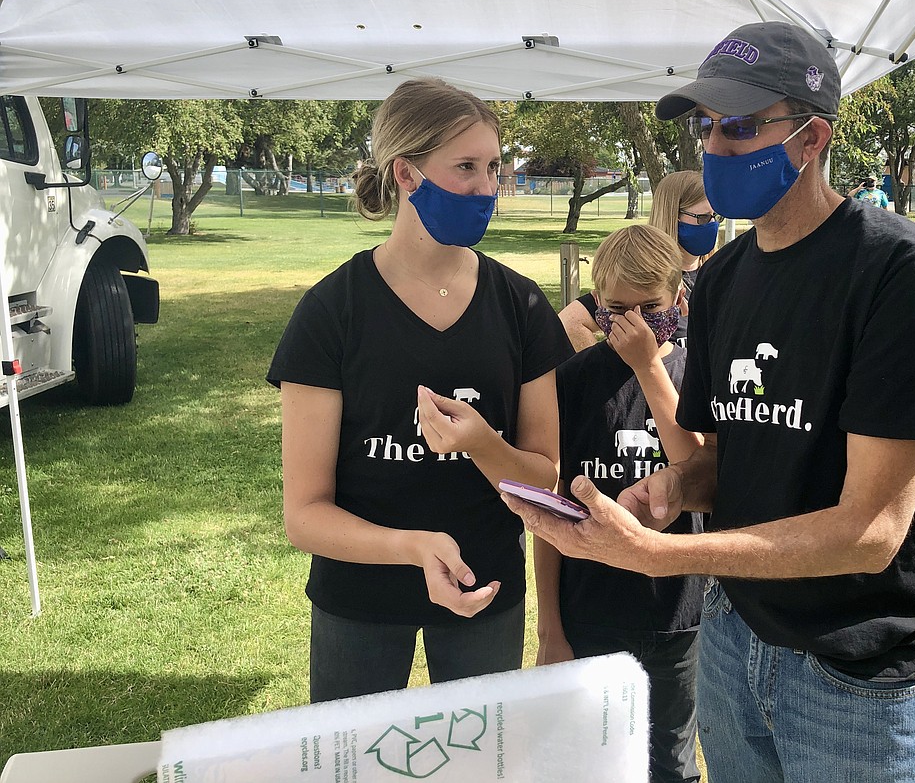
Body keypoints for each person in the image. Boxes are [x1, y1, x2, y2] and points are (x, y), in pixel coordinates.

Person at [506, 22, 915, 783]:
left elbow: (872, 531)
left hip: (855, 663)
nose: (715, 148)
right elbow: (720, 460)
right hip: (734, 637)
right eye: (705, 126)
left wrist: (662, 551)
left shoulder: (901, 272)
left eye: (740, 126)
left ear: (812, 137)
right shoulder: (721, 280)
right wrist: (671, 489)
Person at [267, 78, 572, 703]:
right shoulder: (333, 311)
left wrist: (484, 445)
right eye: (465, 167)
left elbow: (545, 482)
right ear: (405, 173)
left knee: (480, 768)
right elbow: (304, 515)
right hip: (359, 602)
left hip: (486, 593)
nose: (488, 187)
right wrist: (413, 549)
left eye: (494, 167)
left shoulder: (520, 307)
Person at [535, 225, 705, 783]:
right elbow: (549, 515)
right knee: (591, 761)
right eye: (615, 310)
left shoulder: (695, 375)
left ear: (678, 300)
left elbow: (696, 468)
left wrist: (647, 367)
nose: (632, 326)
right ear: (593, 303)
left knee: (671, 761)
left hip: (676, 614)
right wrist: (551, 631)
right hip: (591, 614)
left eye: (648, 308)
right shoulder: (570, 383)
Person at [558, 171, 720, 351]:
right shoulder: (641, 275)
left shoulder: (720, 274)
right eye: (704, 218)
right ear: (673, 215)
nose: (712, 224)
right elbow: (570, 322)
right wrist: (604, 371)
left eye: (716, 217)